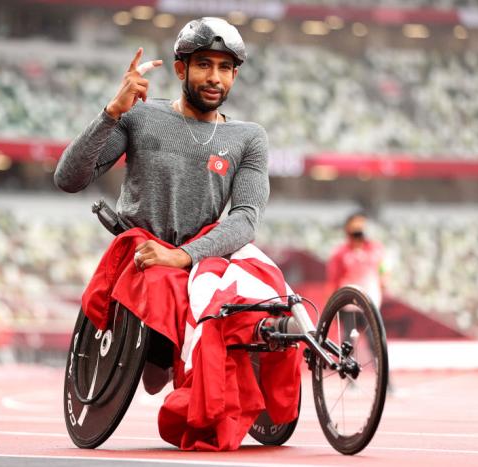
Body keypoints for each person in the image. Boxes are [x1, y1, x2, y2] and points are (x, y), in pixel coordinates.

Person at [56, 18, 298, 451]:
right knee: (161, 280)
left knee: (270, 292)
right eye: (204, 65)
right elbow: (68, 178)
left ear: (235, 75)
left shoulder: (249, 138)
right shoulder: (141, 118)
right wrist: (112, 112)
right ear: (180, 68)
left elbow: (244, 220)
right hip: (143, 256)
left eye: (225, 68)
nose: (215, 78)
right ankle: (161, 355)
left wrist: (185, 256)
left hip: (202, 258)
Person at [325, 211, 387, 308]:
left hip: (371, 304)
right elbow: (334, 279)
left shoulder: (376, 249)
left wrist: (383, 280)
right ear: (348, 229)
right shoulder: (340, 252)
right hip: (348, 305)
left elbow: (383, 270)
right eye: (355, 228)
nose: (359, 230)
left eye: (362, 226)